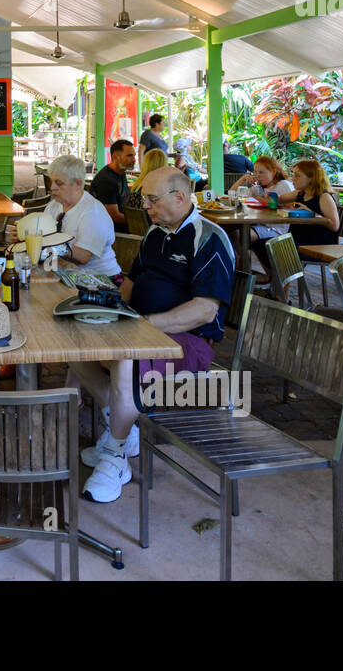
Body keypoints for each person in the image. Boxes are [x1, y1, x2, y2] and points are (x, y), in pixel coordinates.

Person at [68, 167, 235, 503]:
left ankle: (115, 455)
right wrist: (108, 309)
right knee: (76, 345)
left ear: (180, 197)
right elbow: (131, 284)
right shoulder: (155, 233)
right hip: (143, 327)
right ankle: (124, 427)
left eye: (151, 199)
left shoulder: (208, 237)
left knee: (124, 358)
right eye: (143, 198)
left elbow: (205, 310)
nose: (145, 206)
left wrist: (143, 324)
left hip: (189, 343)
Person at [9, 154, 120, 280]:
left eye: (59, 183)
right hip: (63, 272)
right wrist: (23, 236)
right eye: (52, 182)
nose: (52, 187)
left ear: (78, 184)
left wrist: (55, 246)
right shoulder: (54, 206)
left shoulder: (92, 212)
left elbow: (84, 256)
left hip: (99, 280)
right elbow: (43, 237)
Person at [230, 156, 294, 283]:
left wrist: (259, 198)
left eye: (261, 172)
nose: (257, 175)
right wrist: (243, 179)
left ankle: (251, 274)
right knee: (234, 233)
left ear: (274, 172)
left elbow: (287, 207)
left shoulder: (283, 185)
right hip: (262, 225)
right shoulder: (261, 187)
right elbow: (232, 193)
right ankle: (244, 271)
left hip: (278, 228)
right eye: (255, 172)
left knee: (241, 234)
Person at [277, 159, 340, 246]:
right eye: (293, 175)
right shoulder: (300, 193)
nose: (293, 179)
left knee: (270, 250)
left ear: (311, 178)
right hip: (298, 240)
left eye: (297, 176)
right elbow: (277, 199)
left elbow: (334, 226)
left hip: (317, 245)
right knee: (260, 244)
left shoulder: (324, 197)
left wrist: (313, 214)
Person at [90, 138, 136, 231]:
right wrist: (138, 223)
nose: (134, 160)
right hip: (113, 233)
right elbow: (114, 216)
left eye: (134, 156)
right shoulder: (107, 180)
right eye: (129, 156)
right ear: (116, 157)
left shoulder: (120, 171)